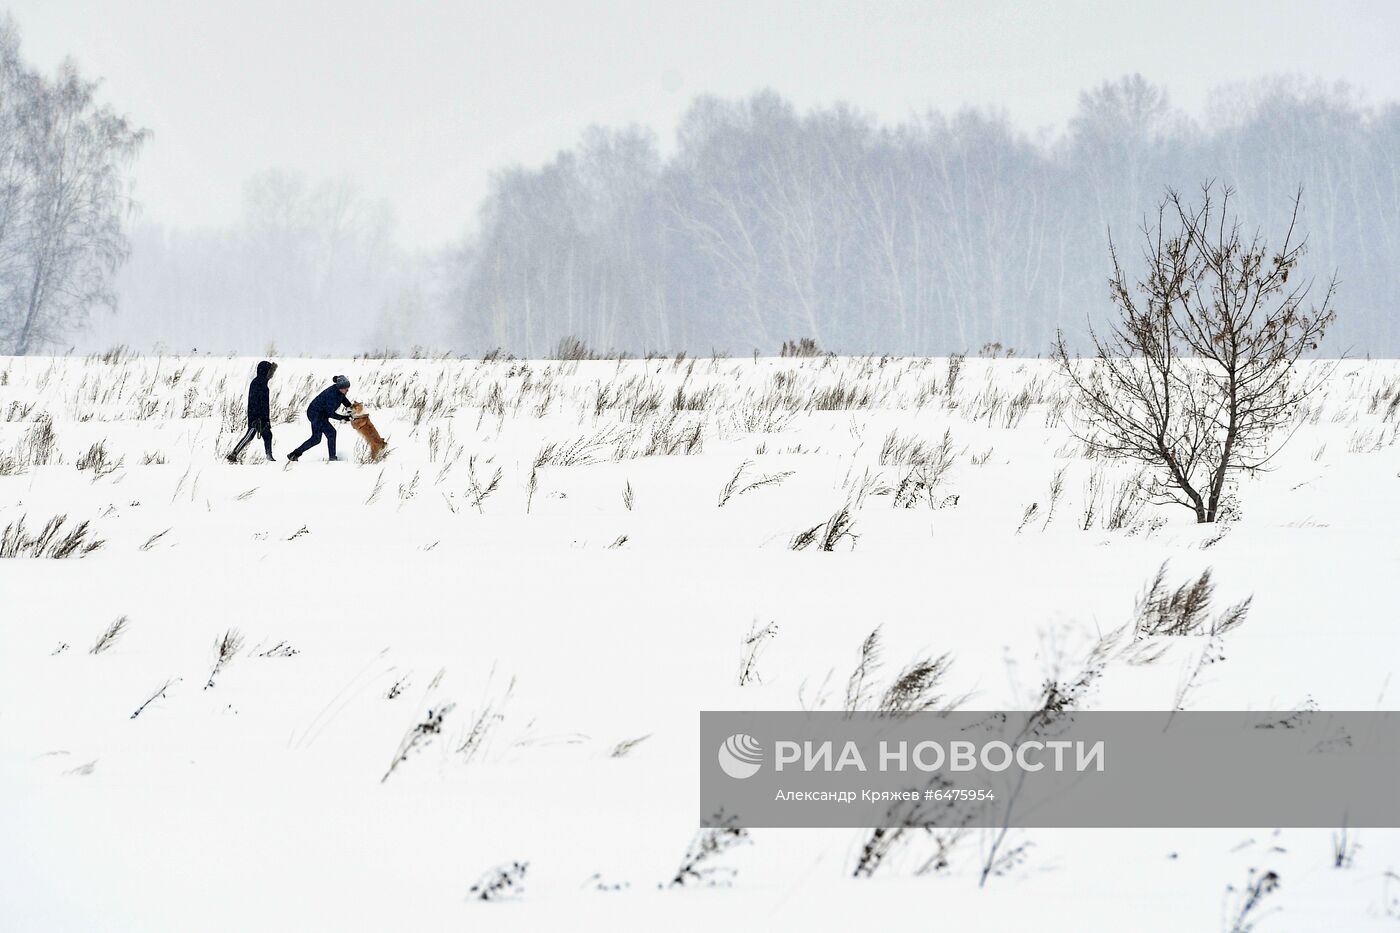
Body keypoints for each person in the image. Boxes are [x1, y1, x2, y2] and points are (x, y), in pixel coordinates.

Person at [287, 375, 355, 462]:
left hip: (320, 413)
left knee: (316, 439)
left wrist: (354, 410)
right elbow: (330, 413)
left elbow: (344, 401)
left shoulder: (339, 392)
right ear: (340, 388)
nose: (347, 390)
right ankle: (332, 458)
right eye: (346, 388)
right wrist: (345, 418)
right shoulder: (332, 395)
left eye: (348, 388)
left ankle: (293, 455)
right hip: (316, 414)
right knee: (330, 433)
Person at [226, 360, 278, 463]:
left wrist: (267, 420)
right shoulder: (257, 384)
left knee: (268, 435)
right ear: (264, 371)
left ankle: (269, 456)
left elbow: (265, 405)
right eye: (269, 371)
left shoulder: (264, 384)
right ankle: (234, 453)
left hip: (263, 417)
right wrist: (255, 417)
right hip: (255, 417)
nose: (271, 374)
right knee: (250, 435)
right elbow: (253, 402)